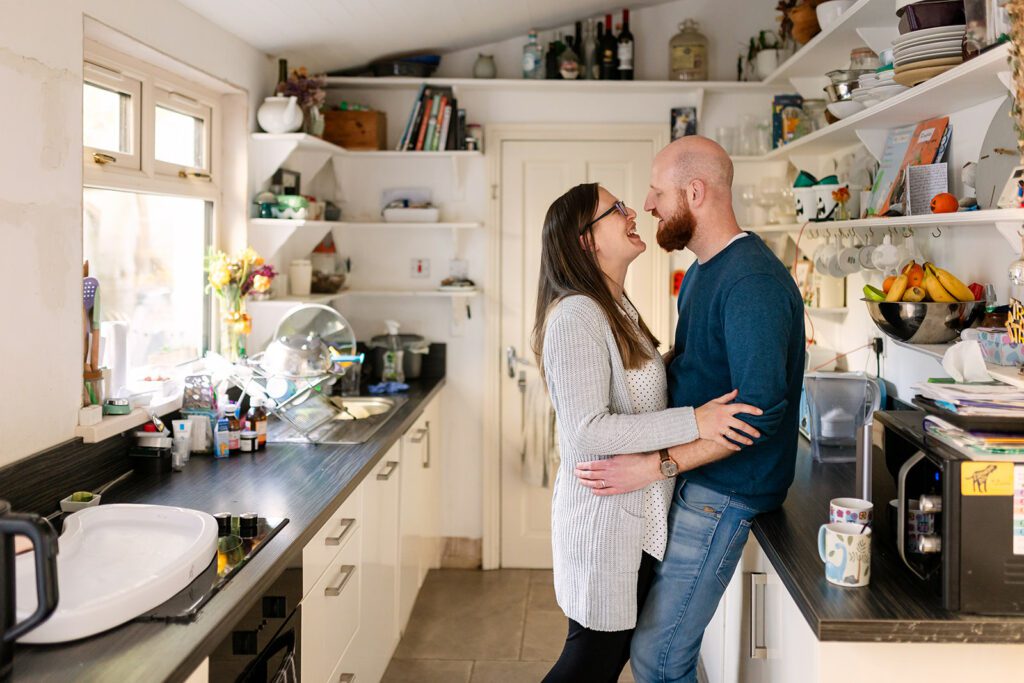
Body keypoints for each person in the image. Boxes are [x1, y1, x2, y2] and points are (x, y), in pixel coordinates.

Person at [574, 136, 806, 682]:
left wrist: (655, 465)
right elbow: (700, 367)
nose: (648, 205)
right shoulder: (705, 271)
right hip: (699, 481)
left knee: (659, 656)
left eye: (658, 192)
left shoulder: (751, 282)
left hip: (726, 490)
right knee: (656, 647)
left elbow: (756, 411)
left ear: (694, 192)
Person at [533, 182, 763, 683]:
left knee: (603, 660)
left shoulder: (616, 308)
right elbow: (588, 430)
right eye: (614, 210)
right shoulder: (576, 315)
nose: (631, 210)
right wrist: (696, 420)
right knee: (589, 664)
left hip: (630, 522)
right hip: (602, 528)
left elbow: (630, 387)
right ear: (584, 242)